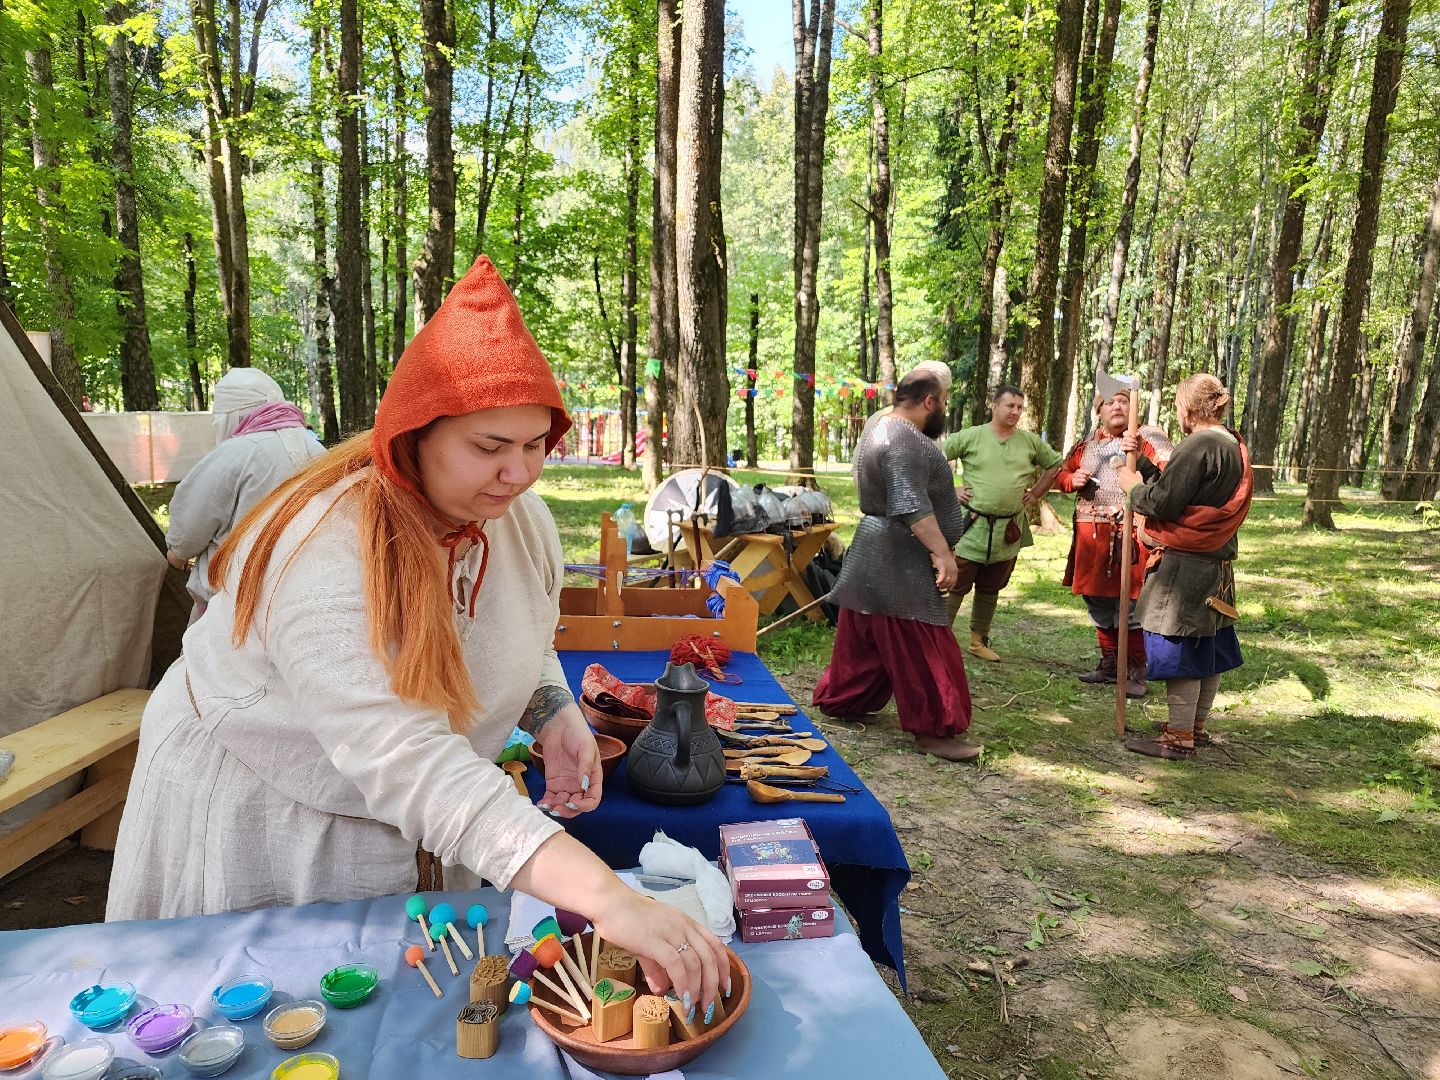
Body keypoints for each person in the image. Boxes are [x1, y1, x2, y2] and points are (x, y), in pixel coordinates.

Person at [107, 258, 729, 1017]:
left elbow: (520, 627)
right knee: (287, 1013)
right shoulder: (326, 545)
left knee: (415, 1012)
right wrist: (608, 897)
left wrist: (549, 708)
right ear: (415, 436)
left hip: (417, 798)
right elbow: (402, 754)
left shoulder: (511, 514)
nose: (518, 472)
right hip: (269, 797)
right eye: (491, 445)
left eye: (537, 445)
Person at [813, 370, 980, 762]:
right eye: (944, 399)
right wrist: (942, 553)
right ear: (929, 401)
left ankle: (845, 701)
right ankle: (934, 731)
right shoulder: (904, 439)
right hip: (897, 555)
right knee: (923, 646)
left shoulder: (881, 428)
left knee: (866, 637)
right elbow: (910, 505)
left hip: (877, 547)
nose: (945, 406)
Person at [1117, 374, 1253, 760]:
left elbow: (1162, 502)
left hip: (1186, 567)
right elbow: (1190, 488)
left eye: (1178, 405)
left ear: (1189, 408)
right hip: (1214, 565)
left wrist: (1131, 485)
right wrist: (1141, 461)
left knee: (1183, 651)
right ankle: (1194, 727)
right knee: (1207, 647)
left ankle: (1180, 738)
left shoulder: (1199, 444)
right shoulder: (1231, 442)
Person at [166, 368, 325, 623]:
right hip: (302, 601)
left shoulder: (236, 453)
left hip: (233, 609)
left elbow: (184, 541)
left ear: (230, 414)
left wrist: (178, 556)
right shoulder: (316, 449)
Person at [1055, 384, 1165, 697]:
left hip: (1128, 534)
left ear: (1134, 409)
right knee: (1097, 602)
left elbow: (1169, 474)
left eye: (1123, 402)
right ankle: (1109, 662)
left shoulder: (1148, 437)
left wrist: (1138, 457)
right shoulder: (1087, 442)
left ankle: (1133, 669)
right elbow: (1063, 473)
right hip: (1091, 537)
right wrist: (1070, 481)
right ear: (1099, 410)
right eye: (1110, 403)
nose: (1116, 407)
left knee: (1130, 605)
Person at [941, 386, 1063, 661]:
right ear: (993, 406)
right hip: (972, 527)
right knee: (955, 582)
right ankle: (938, 640)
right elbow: (933, 459)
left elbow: (1055, 465)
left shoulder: (1030, 441)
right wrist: (952, 489)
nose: (1016, 412)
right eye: (1010, 406)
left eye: (1020, 407)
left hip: (1007, 530)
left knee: (991, 586)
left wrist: (1036, 493)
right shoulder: (971, 436)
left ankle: (977, 641)